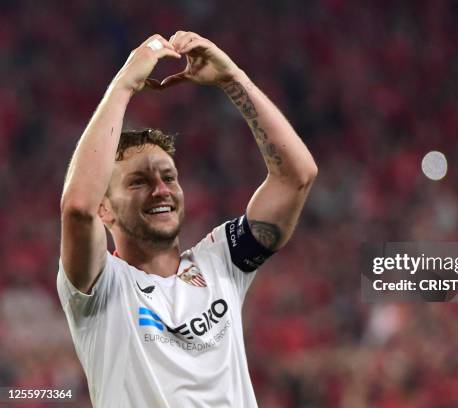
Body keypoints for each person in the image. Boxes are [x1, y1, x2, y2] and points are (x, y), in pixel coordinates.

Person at [57, 31, 317, 407]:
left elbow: (296, 177)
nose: (161, 190)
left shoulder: (220, 262)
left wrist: (233, 79)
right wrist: (125, 84)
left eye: (168, 177)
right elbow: (77, 208)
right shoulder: (100, 288)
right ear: (105, 209)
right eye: (139, 182)